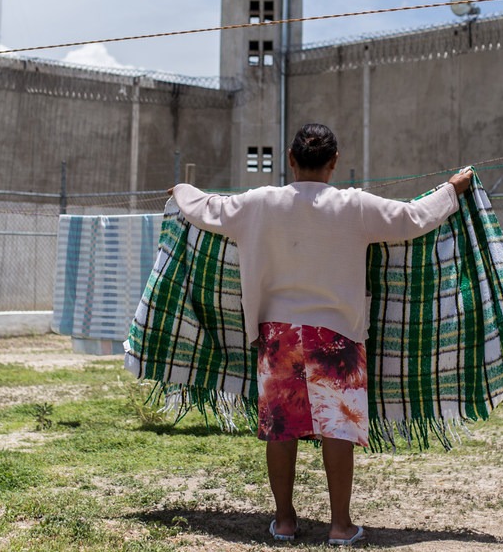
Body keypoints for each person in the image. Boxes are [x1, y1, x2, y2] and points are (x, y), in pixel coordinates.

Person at [169, 123, 473, 546]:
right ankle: (340, 526)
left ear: (290, 160)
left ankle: (286, 521)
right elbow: (413, 218)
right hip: (338, 339)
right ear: (334, 163)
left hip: (277, 336)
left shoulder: (259, 203)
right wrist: (452, 189)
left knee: (281, 430)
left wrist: (181, 190)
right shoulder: (355, 206)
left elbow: (206, 208)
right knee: (338, 431)